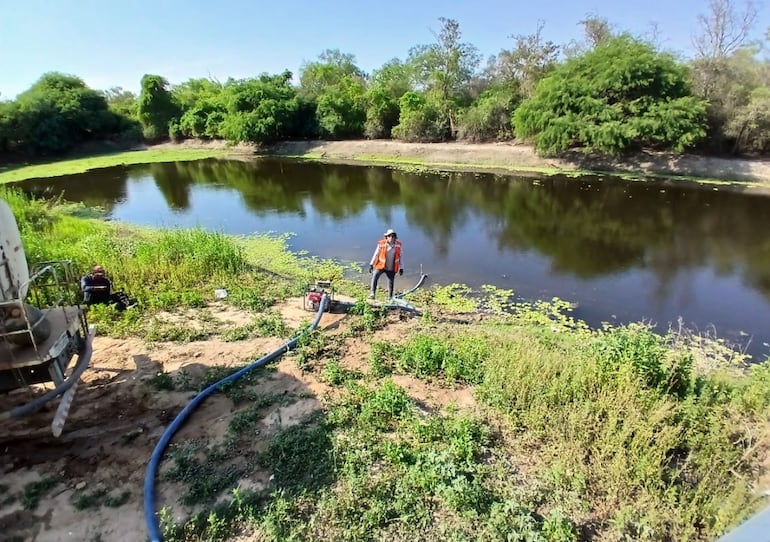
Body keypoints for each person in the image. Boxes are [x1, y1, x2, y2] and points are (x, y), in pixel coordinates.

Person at [368, 228, 403, 300]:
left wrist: (401, 267)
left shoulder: (398, 245)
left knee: (391, 282)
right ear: (386, 237)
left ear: (395, 237)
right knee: (375, 277)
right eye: (389, 236)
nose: (391, 238)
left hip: (391, 267)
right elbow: (376, 254)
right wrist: (371, 264)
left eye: (393, 236)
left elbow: (400, 257)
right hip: (381, 266)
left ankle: (390, 298)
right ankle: (372, 294)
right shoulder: (381, 244)